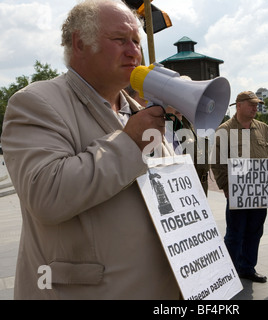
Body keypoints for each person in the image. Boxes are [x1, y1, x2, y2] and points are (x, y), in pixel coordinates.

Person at [1, 0, 180, 299]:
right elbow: (47, 193)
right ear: (80, 42)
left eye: (136, 41)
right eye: (120, 39)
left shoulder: (141, 110)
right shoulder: (36, 102)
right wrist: (129, 142)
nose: (134, 51)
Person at [211, 91, 268, 283]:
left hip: (261, 192)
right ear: (238, 105)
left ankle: (247, 268)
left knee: (255, 231)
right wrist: (226, 187)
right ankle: (229, 273)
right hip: (238, 193)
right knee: (235, 234)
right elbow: (217, 162)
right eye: (251, 104)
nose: (255, 108)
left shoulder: (263, 128)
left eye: (257, 104)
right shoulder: (224, 131)